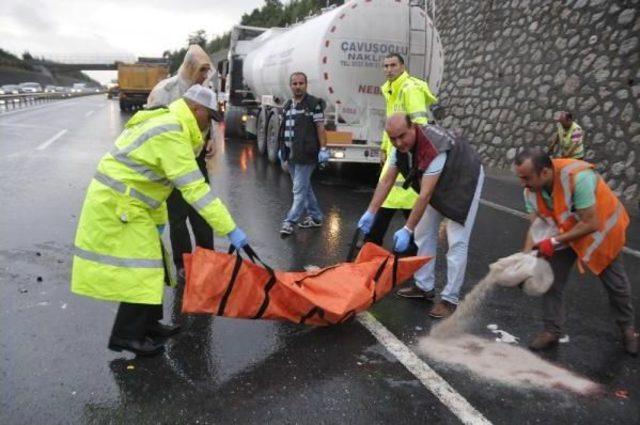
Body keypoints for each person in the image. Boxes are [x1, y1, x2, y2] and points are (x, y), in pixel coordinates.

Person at [71, 85, 249, 356]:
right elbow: (195, 190)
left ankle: (149, 324)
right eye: (208, 116)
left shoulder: (171, 124)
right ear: (195, 108)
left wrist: (157, 220)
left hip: (130, 203)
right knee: (145, 269)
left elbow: (154, 181)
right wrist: (230, 229)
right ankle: (126, 335)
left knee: (155, 264)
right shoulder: (171, 131)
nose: (209, 123)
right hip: (119, 204)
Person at [358, 114, 484, 319]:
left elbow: (425, 194)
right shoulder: (398, 148)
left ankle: (450, 299)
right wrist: (371, 212)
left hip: (462, 179)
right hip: (437, 180)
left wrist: (407, 228)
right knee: (423, 233)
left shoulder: (433, 146)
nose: (398, 143)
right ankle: (424, 286)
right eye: (393, 139)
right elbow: (386, 181)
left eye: (402, 136)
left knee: (457, 241)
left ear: (413, 127)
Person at [514, 148, 638, 355]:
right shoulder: (531, 191)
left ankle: (628, 330)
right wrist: (525, 259)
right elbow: (536, 227)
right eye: (520, 178)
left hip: (600, 233)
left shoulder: (578, 178)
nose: (523, 183)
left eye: (526, 178)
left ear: (544, 172)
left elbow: (590, 223)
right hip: (564, 232)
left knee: (617, 287)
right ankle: (551, 330)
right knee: (552, 281)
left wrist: (552, 242)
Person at [147, 45, 220, 279]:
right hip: (171, 162)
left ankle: (208, 259)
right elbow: (151, 126)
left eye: (207, 71)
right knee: (178, 217)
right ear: (190, 67)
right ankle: (183, 264)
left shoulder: (203, 89)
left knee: (202, 211)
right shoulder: (165, 91)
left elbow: (209, 118)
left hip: (195, 159)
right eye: (202, 70)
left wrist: (211, 140)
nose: (204, 76)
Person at [366, 53, 438, 253]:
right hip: (397, 158)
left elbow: (420, 126)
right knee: (394, 211)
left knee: (407, 218)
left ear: (403, 66)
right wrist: (383, 148)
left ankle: (378, 254)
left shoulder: (409, 89)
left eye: (393, 65)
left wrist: (414, 159)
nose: (389, 69)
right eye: (386, 66)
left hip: (408, 161)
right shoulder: (392, 90)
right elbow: (389, 125)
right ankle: (378, 252)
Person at [278, 71, 329, 237]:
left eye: (301, 83)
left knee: (298, 190)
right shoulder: (287, 105)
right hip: (290, 154)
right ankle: (316, 217)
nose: (298, 86)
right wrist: (282, 149)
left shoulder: (314, 104)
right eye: (295, 83)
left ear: (306, 85)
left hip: (306, 155)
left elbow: (320, 128)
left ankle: (289, 222)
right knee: (304, 188)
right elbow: (283, 128)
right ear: (290, 85)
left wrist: (323, 149)